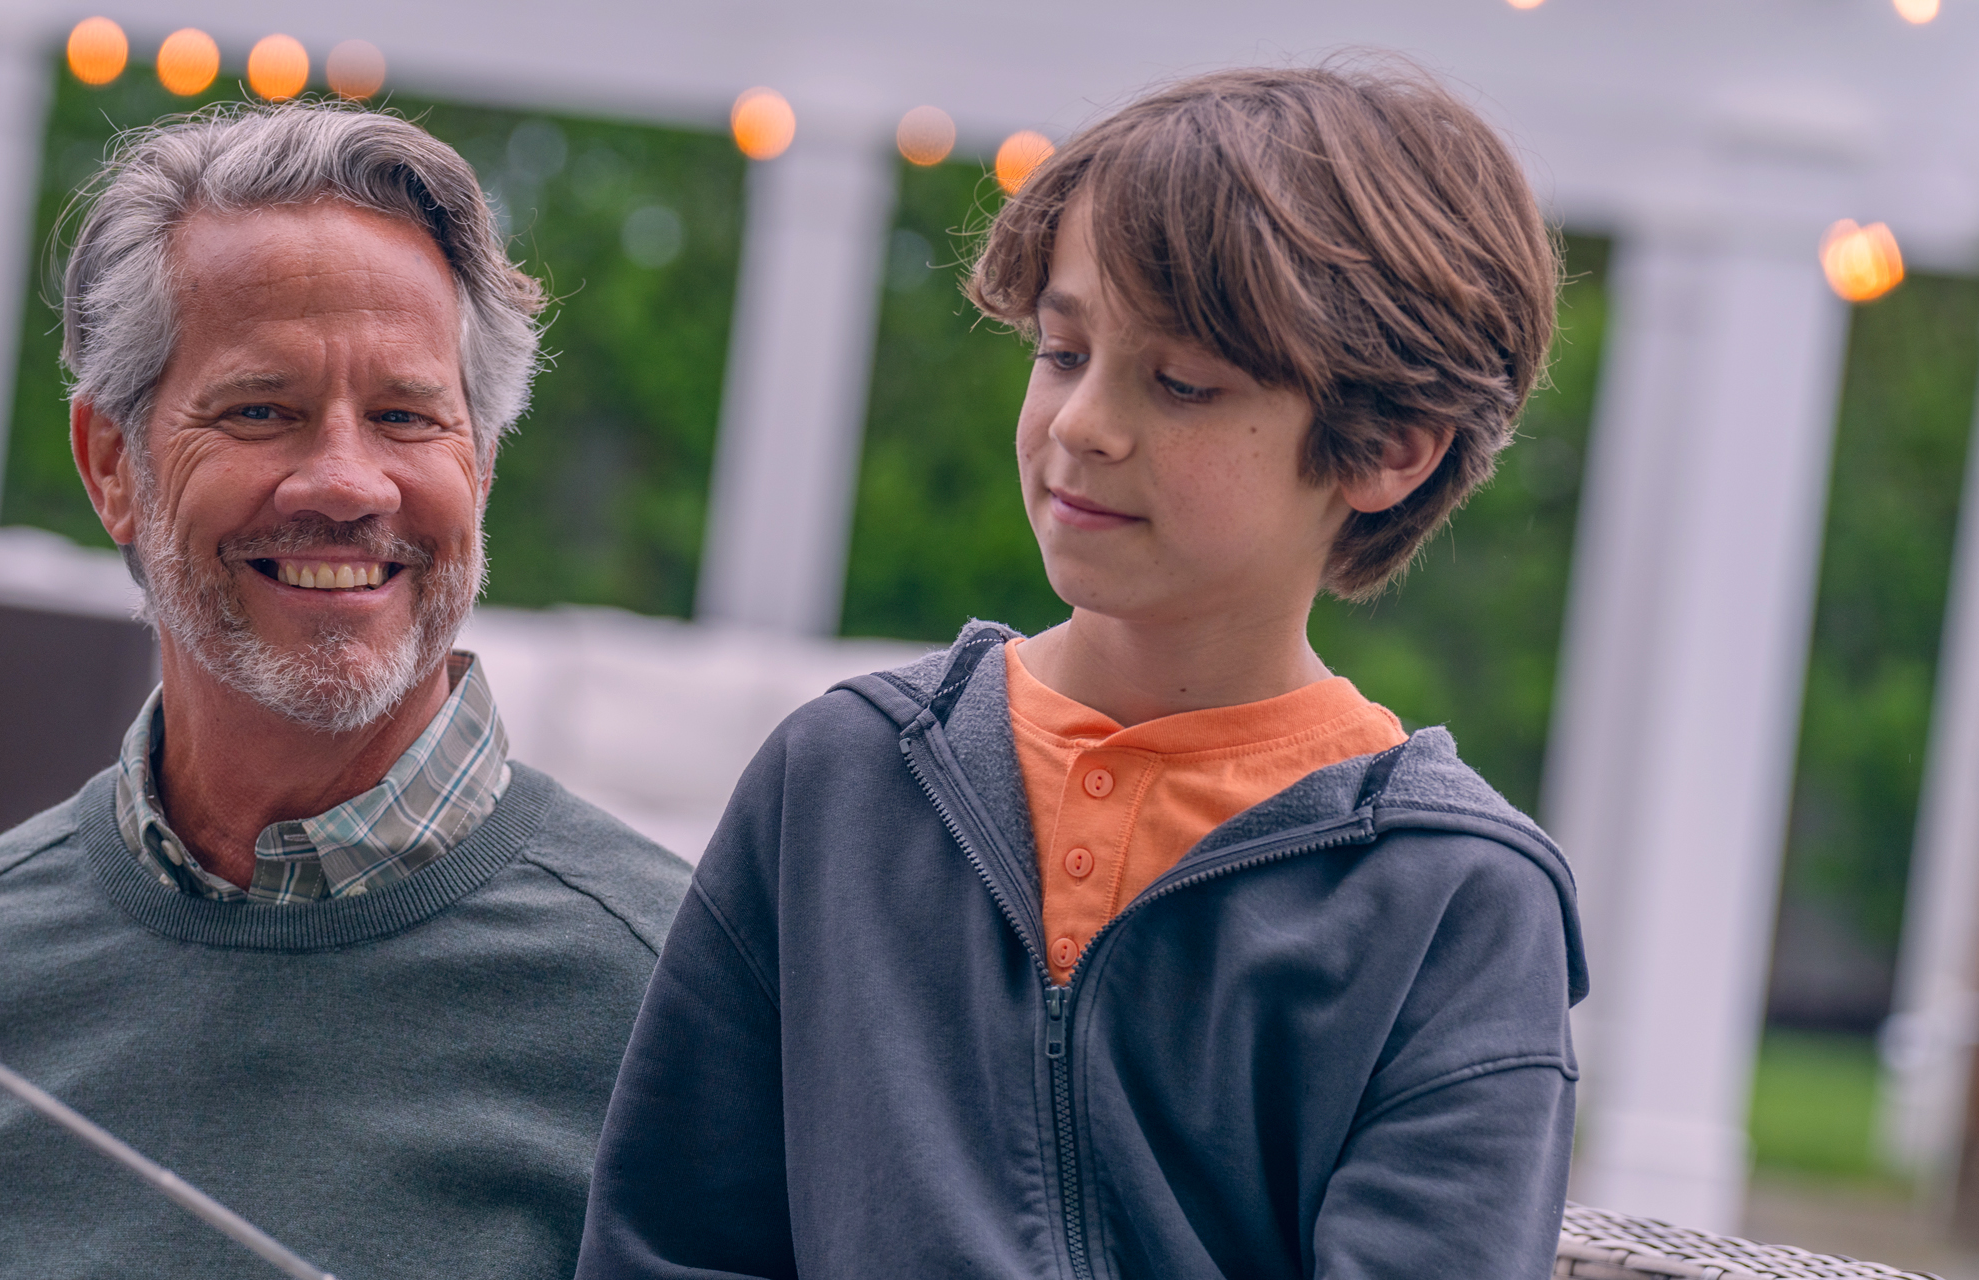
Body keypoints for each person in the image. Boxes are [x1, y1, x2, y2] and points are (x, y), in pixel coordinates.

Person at [577, 62, 1586, 1280]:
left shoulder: (1455, 901)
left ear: (1387, 450)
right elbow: (670, 1243)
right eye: (1062, 351)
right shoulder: (838, 775)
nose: (1081, 424)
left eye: (1181, 383)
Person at [0, 102, 691, 1280]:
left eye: (407, 415)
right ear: (115, 464)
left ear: (479, 461)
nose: (344, 480)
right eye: (261, 409)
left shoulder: (679, 996)